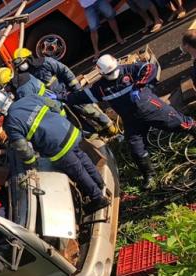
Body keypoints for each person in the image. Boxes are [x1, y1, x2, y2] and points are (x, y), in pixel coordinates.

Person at [66, 54, 196, 190]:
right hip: (131, 121)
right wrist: (62, 97)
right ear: (102, 73)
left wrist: (140, 83)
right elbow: (82, 96)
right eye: (109, 73)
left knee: (180, 123)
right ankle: (149, 175)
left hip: (152, 109)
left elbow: (150, 68)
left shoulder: (130, 69)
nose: (113, 74)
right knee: (136, 148)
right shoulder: (100, 88)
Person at [0, 88, 110, 213]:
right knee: (83, 157)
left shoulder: (11, 123)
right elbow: (54, 105)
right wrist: (59, 121)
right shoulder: (29, 98)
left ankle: (97, 198)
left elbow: (22, 148)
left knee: (77, 171)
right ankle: (99, 183)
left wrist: (31, 163)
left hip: (57, 147)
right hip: (69, 131)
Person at [11, 48, 117, 135]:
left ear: (29, 58)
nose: (22, 66)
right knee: (73, 121)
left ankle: (109, 126)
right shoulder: (26, 77)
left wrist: (75, 88)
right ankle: (94, 135)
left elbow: (64, 70)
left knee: (88, 109)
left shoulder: (46, 62)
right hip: (55, 102)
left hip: (67, 93)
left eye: (23, 63)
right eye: (20, 65)